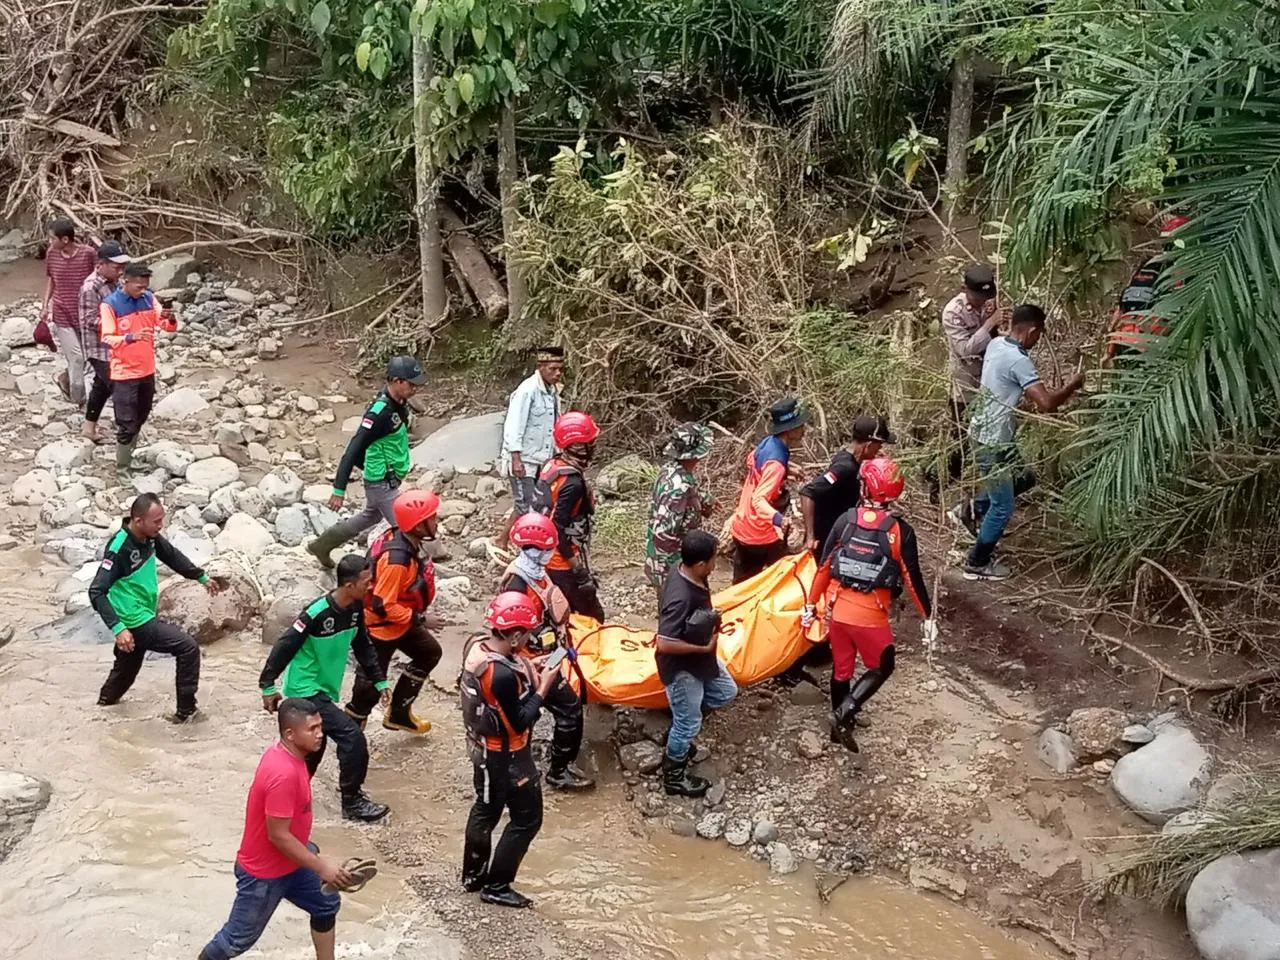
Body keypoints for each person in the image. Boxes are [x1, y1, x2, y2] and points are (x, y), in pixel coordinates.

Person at [199, 698, 354, 960]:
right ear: (290, 734)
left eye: (320, 726)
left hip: (293, 863)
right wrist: (320, 866)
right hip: (265, 874)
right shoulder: (283, 773)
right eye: (313, 729)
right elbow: (278, 835)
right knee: (235, 941)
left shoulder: (294, 758)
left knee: (326, 903)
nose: (320, 734)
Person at [802, 459, 935, 752]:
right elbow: (912, 580)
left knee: (842, 669)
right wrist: (928, 616)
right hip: (869, 615)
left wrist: (811, 604)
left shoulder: (846, 520)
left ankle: (841, 730)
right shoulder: (901, 531)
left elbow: (823, 567)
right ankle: (844, 713)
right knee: (883, 666)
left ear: (866, 487)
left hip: (836, 611)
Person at [258, 554, 392, 822]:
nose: (371, 586)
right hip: (304, 691)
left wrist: (379, 681)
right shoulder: (316, 613)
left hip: (325, 690)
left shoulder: (355, 609)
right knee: (352, 738)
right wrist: (267, 685)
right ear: (349, 585)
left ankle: (288, 800)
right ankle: (351, 802)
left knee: (312, 750)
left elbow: (363, 645)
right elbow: (285, 645)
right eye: (366, 581)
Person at [961, 304, 1085, 580]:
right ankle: (976, 562)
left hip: (991, 435)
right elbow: (1046, 404)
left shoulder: (996, 345)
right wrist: (1072, 386)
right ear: (1031, 330)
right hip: (991, 442)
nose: (1038, 340)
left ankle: (972, 509)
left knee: (1025, 478)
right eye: (1038, 334)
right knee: (1003, 506)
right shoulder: (1019, 360)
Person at [460, 592, 560, 908]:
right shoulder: (500, 674)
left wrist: (529, 665)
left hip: (484, 750)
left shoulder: (478, 648)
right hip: (506, 756)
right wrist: (543, 686)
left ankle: (473, 877)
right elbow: (519, 721)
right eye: (527, 632)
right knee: (527, 819)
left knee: (485, 809)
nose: (530, 637)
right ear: (515, 634)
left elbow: (505, 675)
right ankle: (497, 885)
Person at [91, 493, 221, 723]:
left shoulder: (149, 537)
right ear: (138, 520)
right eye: (157, 521)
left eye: (162, 519)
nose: (161, 525)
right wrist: (118, 628)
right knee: (188, 648)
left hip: (142, 614)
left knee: (124, 674)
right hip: (133, 620)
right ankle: (186, 713)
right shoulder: (119, 548)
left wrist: (200, 577)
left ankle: (100, 713)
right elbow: (96, 591)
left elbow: (171, 556)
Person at [498, 512, 593, 791]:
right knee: (569, 707)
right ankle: (558, 770)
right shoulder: (518, 582)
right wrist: (527, 666)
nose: (553, 552)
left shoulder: (535, 573)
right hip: (530, 660)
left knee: (534, 711)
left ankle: (526, 758)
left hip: (547, 652)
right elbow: (509, 632)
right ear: (537, 549)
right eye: (549, 548)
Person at [307, 355, 428, 568]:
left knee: (369, 517)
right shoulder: (379, 412)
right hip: (381, 482)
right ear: (397, 381)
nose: (415, 389)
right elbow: (354, 448)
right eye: (411, 384)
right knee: (405, 529)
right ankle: (416, 570)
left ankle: (322, 545)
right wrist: (339, 488)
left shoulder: (399, 403)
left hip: (388, 478)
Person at [344, 489, 444, 734]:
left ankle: (399, 713)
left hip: (400, 622)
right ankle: (350, 736)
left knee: (429, 653)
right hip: (379, 630)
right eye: (431, 518)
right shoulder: (396, 560)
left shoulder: (408, 541)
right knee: (366, 693)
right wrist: (421, 619)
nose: (437, 521)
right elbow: (384, 605)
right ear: (419, 526)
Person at [656, 530, 738, 798]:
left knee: (726, 692)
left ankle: (677, 731)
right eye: (714, 560)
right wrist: (702, 646)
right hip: (682, 667)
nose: (716, 565)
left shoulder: (684, 571)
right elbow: (664, 642)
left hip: (700, 657)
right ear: (701, 563)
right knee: (688, 723)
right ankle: (674, 776)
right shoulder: (682, 597)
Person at [932, 264, 1004, 504]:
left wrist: (996, 326)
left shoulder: (988, 305)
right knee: (959, 441)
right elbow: (965, 350)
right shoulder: (953, 312)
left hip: (987, 383)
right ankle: (939, 486)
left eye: (986, 296)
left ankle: (984, 486)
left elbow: (994, 342)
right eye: (978, 297)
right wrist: (989, 324)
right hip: (965, 387)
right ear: (964, 289)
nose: (982, 301)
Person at [99, 262, 178, 477]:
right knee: (125, 421)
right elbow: (106, 337)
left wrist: (170, 318)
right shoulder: (110, 305)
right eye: (139, 287)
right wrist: (130, 337)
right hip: (123, 372)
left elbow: (166, 325)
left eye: (145, 286)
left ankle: (130, 458)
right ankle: (122, 467)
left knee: (141, 415)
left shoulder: (149, 299)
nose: (142, 290)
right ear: (126, 281)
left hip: (146, 369)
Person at [534, 411, 605, 621]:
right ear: (576, 445)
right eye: (588, 442)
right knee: (592, 617)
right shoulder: (572, 483)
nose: (593, 446)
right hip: (561, 561)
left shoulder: (553, 466)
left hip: (544, 556)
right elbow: (557, 528)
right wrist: (578, 569)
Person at [728, 397, 807, 583]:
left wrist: (788, 470)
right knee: (776, 581)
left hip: (743, 522)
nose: (804, 429)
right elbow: (758, 499)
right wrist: (780, 520)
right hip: (758, 533)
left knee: (741, 585)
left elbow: (752, 461)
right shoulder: (776, 462)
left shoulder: (768, 443)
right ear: (789, 430)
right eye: (800, 425)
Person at [800, 414, 895, 553]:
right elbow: (807, 492)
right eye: (878, 446)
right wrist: (810, 537)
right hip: (826, 540)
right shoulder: (845, 468)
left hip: (838, 534)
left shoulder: (848, 457)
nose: (879, 450)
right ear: (868, 445)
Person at [499, 346, 563, 544]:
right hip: (524, 459)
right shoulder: (527, 391)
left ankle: (505, 540)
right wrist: (516, 458)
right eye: (553, 369)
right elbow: (514, 425)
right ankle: (517, 543)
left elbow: (553, 425)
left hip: (542, 458)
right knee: (527, 507)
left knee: (539, 504)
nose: (558, 373)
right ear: (541, 367)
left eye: (560, 369)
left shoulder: (552, 392)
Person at [644, 423, 714, 595]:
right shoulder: (679, 487)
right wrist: (685, 569)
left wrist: (703, 500)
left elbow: (688, 493)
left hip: (669, 562)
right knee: (679, 614)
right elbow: (663, 533)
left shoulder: (671, 470)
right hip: (672, 566)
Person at [1106, 215, 1190, 361]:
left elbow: (1121, 310)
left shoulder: (1147, 265)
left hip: (1124, 340)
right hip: (1153, 344)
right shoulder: (1181, 271)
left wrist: (1109, 352)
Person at [41, 219, 98, 406]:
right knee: (76, 357)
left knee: (87, 356)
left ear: (65, 239)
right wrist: (45, 306)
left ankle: (65, 379)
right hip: (61, 312)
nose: (49, 242)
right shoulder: (52, 254)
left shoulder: (88, 254)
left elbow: (97, 280)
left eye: (52, 238)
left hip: (85, 313)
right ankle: (78, 400)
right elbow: (51, 280)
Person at [77, 240, 129, 442]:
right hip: (99, 348)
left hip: (116, 344)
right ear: (102, 264)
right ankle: (126, 432)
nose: (120, 271)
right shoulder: (91, 287)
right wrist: (119, 322)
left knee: (102, 385)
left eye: (122, 267)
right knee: (120, 387)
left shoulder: (116, 282)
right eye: (117, 267)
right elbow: (89, 320)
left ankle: (88, 428)